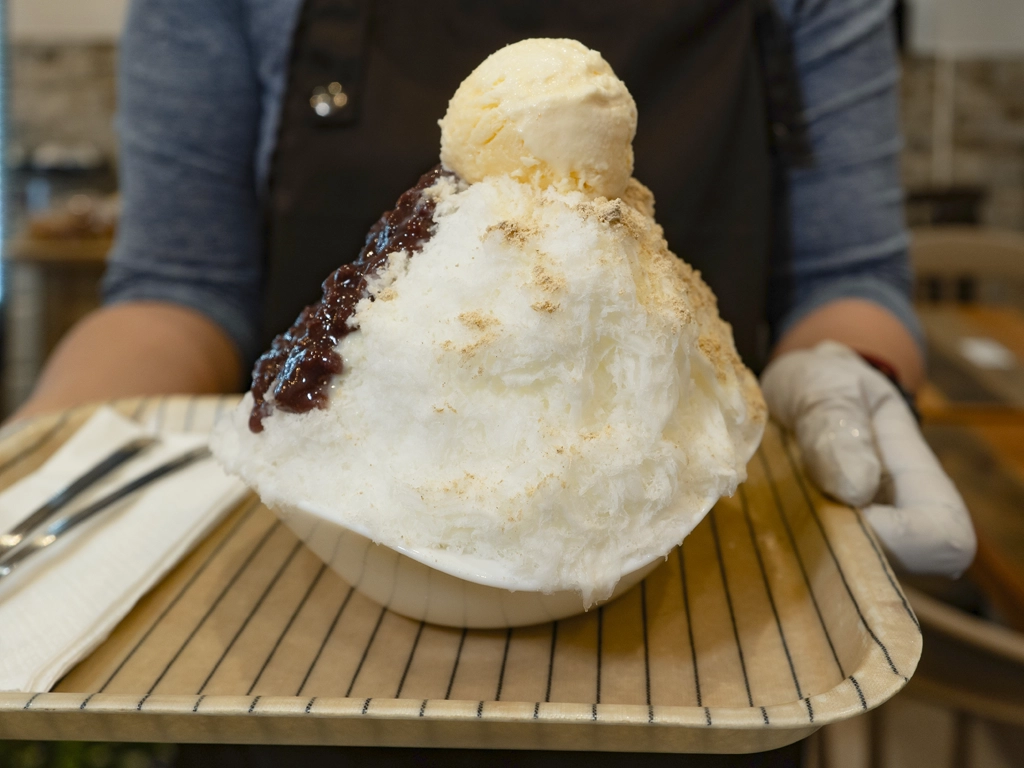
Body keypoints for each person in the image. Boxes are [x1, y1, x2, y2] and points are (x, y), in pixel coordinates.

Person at [18, 0, 973, 601]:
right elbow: (178, 288)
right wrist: (39, 465)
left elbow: (848, 276)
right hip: (315, 655)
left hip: (680, 616)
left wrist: (845, 367)